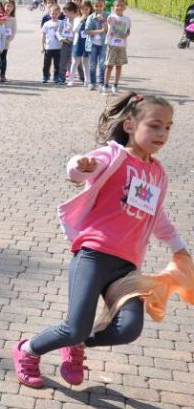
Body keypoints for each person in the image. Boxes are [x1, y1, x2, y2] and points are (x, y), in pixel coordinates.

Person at [13, 93, 187, 389]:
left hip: (127, 268)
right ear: (130, 125)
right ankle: (27, 351)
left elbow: (157, 216)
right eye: (155, 125)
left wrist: (180, 249)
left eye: (168, 128)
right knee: (74, 327)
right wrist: (80, 165)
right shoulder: (114, 156)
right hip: (93, 255)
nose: (162, 133)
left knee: (128, 329)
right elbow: (78, 171)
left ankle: (77, 344)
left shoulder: (158, 173)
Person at [105, 0, 131, 95]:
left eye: (122, 6)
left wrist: (126, 35)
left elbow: (128, 30)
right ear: (113, 7)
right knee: (109, 66)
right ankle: (105, 85)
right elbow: (107, 23)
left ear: (125, 8)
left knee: (119, 66)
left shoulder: (127, 20)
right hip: (112, 44)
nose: (119, 7)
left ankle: (115, 85)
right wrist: (108, 21)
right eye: (117, 5)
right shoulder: (111, 16)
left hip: (121, 45)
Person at [86, 0, 109, 92]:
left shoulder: (108, 16)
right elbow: (88, 31)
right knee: (92, 64)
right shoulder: (91, 17)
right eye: (96, 6)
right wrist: (100, 31)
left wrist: (103, 20)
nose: (98, 8)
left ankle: (101, 83)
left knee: (102, 64)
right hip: (93, 44)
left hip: (103, 44)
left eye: (100, 6)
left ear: (104, 5)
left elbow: (109, 30)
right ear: (93, 6)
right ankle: (92, 82)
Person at [69, 0, 91, 88]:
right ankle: (71, 80)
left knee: (86, 62)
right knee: (75, 62)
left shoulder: (91, 18)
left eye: (86, 9)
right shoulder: (77, 19)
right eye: (83, 9)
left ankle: (87, 80)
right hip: (78, 43)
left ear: (90, 9)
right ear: (80, 10)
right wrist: (81, 20)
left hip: (88, 43)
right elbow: (75, 30)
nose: (85, 11)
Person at [41, 4, 63, 85]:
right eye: (52, 14)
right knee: (47, 63)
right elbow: (43, 35)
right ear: (49, 13)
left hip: (58, 47)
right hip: (48, 47)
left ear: (59, 14)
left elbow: (64, 34)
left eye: (56, 14)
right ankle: (45, 76)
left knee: (57, 64)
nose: (54, 15)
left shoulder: (61, 23)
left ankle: (56, 76)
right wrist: (42, 46)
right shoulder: (46, 24)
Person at [57, 2, 78, 85]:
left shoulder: (77, 21)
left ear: (72, 12)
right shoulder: (63, 22)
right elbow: (58, 32)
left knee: (75, 62)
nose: (64, 14)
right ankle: (61, 78)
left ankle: (80, 78)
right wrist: (61, 38)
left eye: (66, 12)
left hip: (75, 44)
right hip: (65, 44)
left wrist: (72, 30)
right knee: (63, 61)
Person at [0, 0, 17, 83]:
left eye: (11, 6)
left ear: (13, 8)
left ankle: (2, 75)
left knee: (3, 58)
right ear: (4, 6)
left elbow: (14, 31)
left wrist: (9, 39)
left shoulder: (13, 19)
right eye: (7, 6)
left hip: (5, 43)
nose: (8, 8)